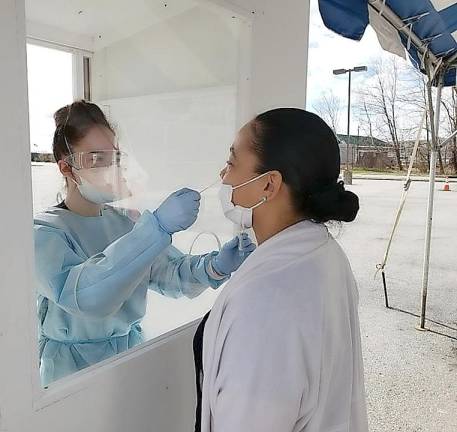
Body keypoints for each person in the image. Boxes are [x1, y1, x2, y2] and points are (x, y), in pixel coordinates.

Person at [34, 100, 255, 387]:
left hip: (129, 359)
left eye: (114, 158)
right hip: (69, 374)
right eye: (96, 159)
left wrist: (214, 266)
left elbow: (171, 274)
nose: (111, 169)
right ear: (66, 168)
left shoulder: (127, 224)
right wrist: (157, 228)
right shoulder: (43, 233)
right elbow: (85, 298)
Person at [194, 108, 368, 432]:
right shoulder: (324, 254)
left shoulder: (265, 300)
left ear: (268, 185)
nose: (223, 176)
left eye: (232, 163)